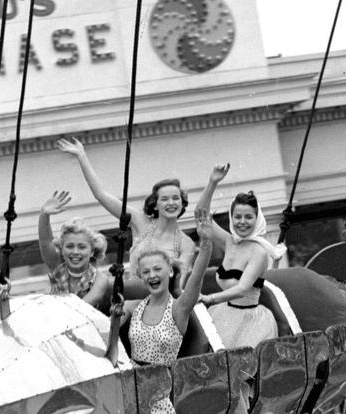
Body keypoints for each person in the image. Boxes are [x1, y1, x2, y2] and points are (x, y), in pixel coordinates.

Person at [123, 212, 215, 414]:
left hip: (159, 390)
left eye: (158, 269)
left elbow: (197, 280)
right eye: (146, 271)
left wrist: (207, 246)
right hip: (129, 387)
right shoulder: (134, 307)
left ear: (170, 271)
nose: (152, 275)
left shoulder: (178, 309)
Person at [56, 136, 198, 278]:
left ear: (182, 203)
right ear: (155, 205)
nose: (171, 203)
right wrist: (82, 156)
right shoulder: (140, 221)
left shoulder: (186, 243)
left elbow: (180, 283)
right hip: (134, 296)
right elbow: (101, 195)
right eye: (165, 199)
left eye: (175, 198)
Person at [195, 163, 283, 350]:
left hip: (251, 322)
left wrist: (210, 299)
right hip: (223, 314)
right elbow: (201, 218)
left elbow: (242, 289)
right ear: (231, 218)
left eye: (248, 217)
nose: (242, 222)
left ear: (257, 219)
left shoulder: (259, 252)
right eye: (238, 217)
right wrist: (212, 182)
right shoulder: (229, 241)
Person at [37, 189, 113, 309]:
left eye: (82, 247)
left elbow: (84, 306)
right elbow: (45, 242)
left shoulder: (100, 278)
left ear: (92, 251)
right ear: (62, 249)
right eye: (69, 246)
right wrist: (44, 215)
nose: (75, 252)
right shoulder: (58, 266)